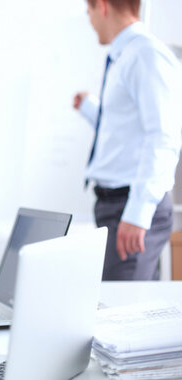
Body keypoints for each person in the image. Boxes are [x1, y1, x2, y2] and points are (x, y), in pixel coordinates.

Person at [73, 0, 182, 280]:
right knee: (127, 306)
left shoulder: (145, 55)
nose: (89, 20)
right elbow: (123, 129)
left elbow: (164, 136)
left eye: (89, 11)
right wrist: (89, 108)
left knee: (120, 313)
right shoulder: (125, 56)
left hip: (130, 205)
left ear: (103, 6)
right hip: (114, 205)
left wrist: (137, 213)